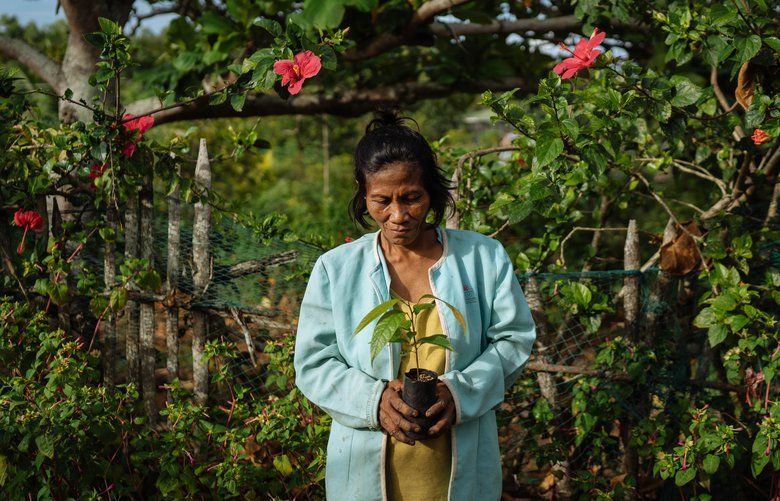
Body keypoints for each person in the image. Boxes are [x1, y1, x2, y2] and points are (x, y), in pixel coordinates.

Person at [294, 111, 536, 501]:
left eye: (411, 198)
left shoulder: (483, 257)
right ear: (363, 193)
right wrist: (373, 402)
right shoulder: (336, 269)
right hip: (365, 475)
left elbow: (513, 340)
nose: (398, 215)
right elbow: (314, 362)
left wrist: (459, 394)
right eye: (381, 201)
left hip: (459, 470)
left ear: (431, 192)